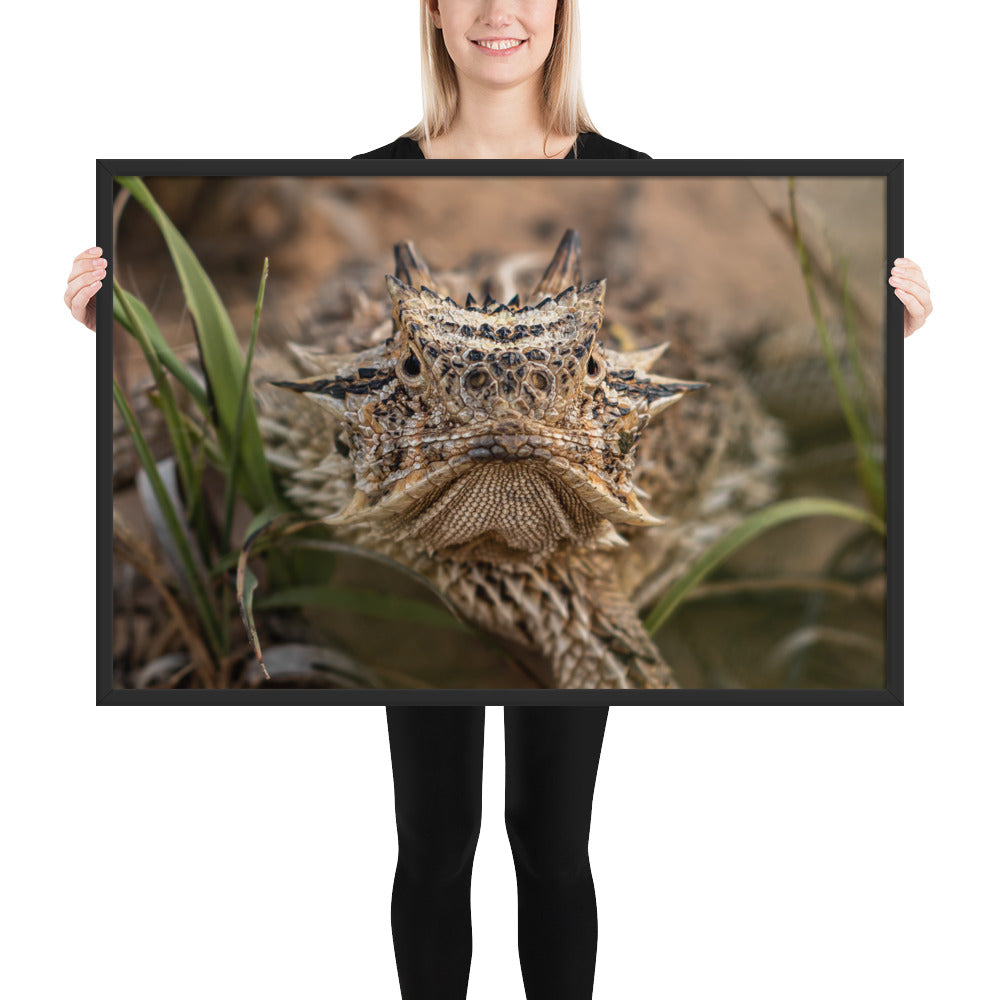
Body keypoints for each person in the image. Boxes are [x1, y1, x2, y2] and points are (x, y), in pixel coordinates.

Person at [65, 3, 933, 998]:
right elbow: (227, 378)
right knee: (435, 842)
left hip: (596, 503)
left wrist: (893, 350)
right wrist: (111, 316)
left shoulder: (626, 167)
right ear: (430, 17)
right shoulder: (376, 184)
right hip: (408, 477)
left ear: (564, 16)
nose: (495, 13)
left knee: (551, 842)